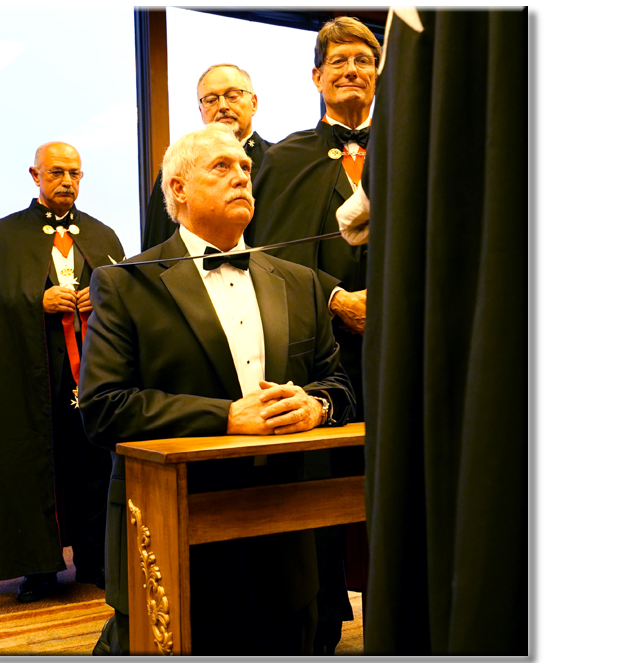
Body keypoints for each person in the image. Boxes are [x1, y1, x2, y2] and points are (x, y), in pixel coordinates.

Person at [79, 123, 356, 655]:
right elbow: (104, 408)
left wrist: (316, 407)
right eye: (221, 167)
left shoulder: (299, 281)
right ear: (178, 188)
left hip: (285, 545)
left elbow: (339, 384)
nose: (242, 177)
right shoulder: (124, 284)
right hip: (172, 543)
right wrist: (226, 417)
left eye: (245, 168)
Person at [246, 15, 381, 652]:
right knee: (319, 488)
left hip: (407, 354)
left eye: (363, 61)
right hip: (322, 359)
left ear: (378, 74)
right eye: (339, 62)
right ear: (316, 76)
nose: (351, 71)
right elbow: (270, 253)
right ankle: (321, 622)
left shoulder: (413, 150)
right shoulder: (283, 159)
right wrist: (335, 298)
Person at [0, 141, 125, 602]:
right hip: (34, 374)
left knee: (92, 464)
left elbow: (127, 295)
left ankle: (95, 558)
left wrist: (100, 297)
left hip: (92, 374)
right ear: (35, 175)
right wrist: (36, 300)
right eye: (56, 172)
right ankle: (39, 569)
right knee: (36, 465)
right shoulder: (2, 237)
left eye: (74, 173)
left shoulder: (103, 235)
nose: (67, 181)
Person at [141, 63, 273, 251]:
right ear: (201, 112)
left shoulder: (277, 162)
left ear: (254, 103)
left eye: (232, 96)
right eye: (211, 100)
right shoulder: (179, 166)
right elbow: (158, 246)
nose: (223, 106)